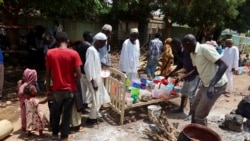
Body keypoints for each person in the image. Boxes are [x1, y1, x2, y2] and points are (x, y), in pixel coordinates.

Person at [182, 34, 228, 126]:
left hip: (216, 86)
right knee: (193, 110)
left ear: (188, 43)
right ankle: (193, 132)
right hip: (205, 85)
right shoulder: (192, 54)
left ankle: (202, 136)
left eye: (184, 46)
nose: (184, 48)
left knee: (200, 115)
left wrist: (212, 85)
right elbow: (196, 71)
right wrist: (182, 77)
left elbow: (223, 65)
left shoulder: (205, 49)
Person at [45, 31, 82, 141]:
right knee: (67, 113)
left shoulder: (50, 53)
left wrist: (48, 89)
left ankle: (55, 134)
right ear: (68, 41)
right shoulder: (74, 54)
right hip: (70, 90)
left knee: (56, 112)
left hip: (56, 89)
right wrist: (73, 82)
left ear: (56, 41)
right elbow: (79, 74)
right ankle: (64, 137)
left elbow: (47, 74)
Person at [165, 38, 200, 121]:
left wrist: (182, 77)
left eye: (173, 47)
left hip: (194, 75)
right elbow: (180, 65)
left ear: (178, 44)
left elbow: (196, 68)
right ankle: (181, 108)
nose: (173, 49)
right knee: (184, 92)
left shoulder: (187, 51)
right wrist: (170, 73)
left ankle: (192, 114)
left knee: (191, 95)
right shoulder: (178, 52)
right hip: (187, 75)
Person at [84, 32, 111, 125]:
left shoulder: (95, 50)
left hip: (97, 78)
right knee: (96, 99)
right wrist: (92, 81)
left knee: (99, 98)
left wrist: (103, 64)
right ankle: (91, 119)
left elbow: (95, 63)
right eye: (103, 43)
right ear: (98, 41)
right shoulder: (91, 50)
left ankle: (93, 117)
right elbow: (88, 66)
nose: (104, 45)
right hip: (94, 79)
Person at [75, 31, 93, 109]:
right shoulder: (90, 47)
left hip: (80, 70)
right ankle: (86, 102)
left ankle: (83, 103)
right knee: (93, 89)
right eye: (91, 37)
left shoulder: (79, 46)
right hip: (87, 71)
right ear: (87, 37)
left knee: (83, 89)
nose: (92, 38)